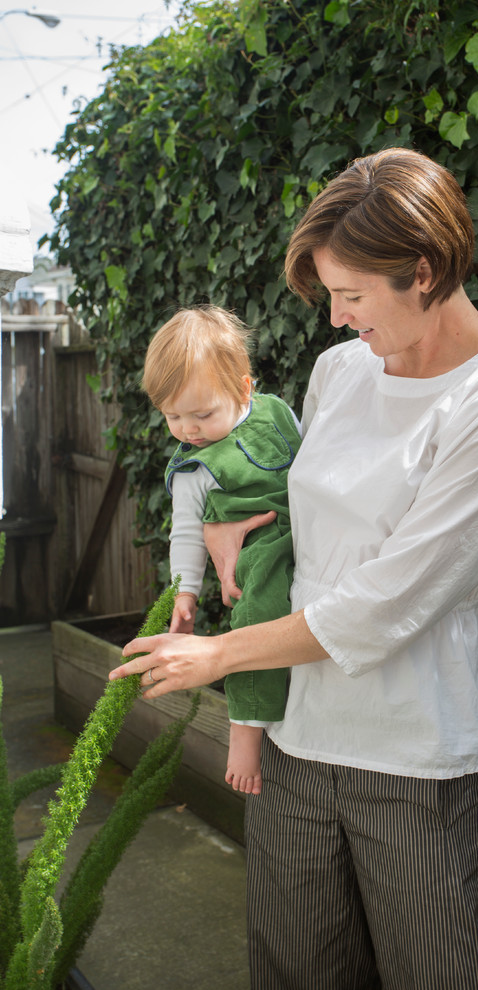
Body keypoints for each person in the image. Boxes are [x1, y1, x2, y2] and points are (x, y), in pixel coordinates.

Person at [111, 147, 478, 990]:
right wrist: (233, 532)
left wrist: (218, 655)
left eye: (351, 296)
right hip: (293, 729)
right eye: (330, 295)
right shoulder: (341, 371)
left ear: (422, 271)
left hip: (410, 748)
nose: (336, 319)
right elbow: (306, 518)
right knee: (296, 966)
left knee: (438, 971)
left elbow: (390, 600)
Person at [141, 304, 301, 794]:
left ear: (244, 389)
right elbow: (187, 532)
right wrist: (185, 593)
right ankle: (246, 731)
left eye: (203, 414)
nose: (188, 430)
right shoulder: (195, 469)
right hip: (260, 550)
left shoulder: (277, 412)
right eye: (172, 416)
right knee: (255, 620)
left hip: (309, 525)